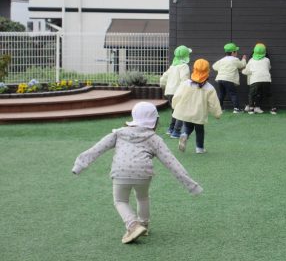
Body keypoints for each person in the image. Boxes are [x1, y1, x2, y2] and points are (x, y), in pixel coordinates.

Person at [72, 101, 203, 244]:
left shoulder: (119, 133)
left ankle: (133, 225)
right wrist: (192, 186)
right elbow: (172, 163)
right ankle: (144, 225)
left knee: (120, 200)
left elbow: (97, 149)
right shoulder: (154, 139)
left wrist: (79, 165)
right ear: (155, 121)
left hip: (121, 173)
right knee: (143, 197)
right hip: (143, 174)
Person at [173, 59, 222, 154]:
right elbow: (214, 103)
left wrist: (175, 105)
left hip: (185, 111)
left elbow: (177, 96)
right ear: (208, 71)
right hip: (199, 113)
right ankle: (199, 148)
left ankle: (184, 134)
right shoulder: (209, 88)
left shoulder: (185, 84)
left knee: (187, 126)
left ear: (194, 69)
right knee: (199, 130)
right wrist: (217, 114)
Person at [159, 45, 192, 138]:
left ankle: (170, 129)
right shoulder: (184, 66)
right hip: (178, 92)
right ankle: (176, 132)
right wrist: (186, 91)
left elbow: (163, 78)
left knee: (175, 111)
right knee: (180, 112)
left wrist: (163, 87)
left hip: (169, 92)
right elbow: (184, 80)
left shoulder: (172, 67)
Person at [241, 43, 277, 114]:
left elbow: (247, 71)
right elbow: (269, 68)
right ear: (265, 52)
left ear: (254, 51)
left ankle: (251, 109)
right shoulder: (267, 60)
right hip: (266, 79)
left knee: (251, 94)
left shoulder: (251, 60)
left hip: (255, 80)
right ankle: (273, 109)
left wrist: (242, 71)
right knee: (269, 94)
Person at [212, 42, 247, 113]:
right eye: (236, 51)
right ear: (233, 52)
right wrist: (244, 59)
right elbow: (242, 65)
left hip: (220, 79)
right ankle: (236, 109)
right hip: (229, 79)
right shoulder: (235, 60)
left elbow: (214, 66)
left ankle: (220, 108)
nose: (237, 52)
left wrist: (221, 69)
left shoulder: (222, 60)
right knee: (233, 93)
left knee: (222, 93)